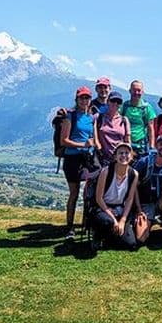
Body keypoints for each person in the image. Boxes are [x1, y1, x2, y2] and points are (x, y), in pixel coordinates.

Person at [60, 86, 100, 239]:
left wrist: (95, 146)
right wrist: (83, 145)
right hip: (73, 159)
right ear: (77, 100)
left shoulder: (92, 117)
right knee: (74, 193)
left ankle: (88, 223)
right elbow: (64, 141)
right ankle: (69, 227)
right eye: (82, 98)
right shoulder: (70, 116)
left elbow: (94, 139)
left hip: (88, 159)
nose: (85, 100)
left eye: (87, 98)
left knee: (91, 193)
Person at [92, 142, 138, 250]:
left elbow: (130, 199)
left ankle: (111, 236)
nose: (124, 156)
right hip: (103, 208)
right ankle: (98, 236)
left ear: (131, 157)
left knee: (130, 243)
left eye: (127, 153)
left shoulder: (133, 174)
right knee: (107, 221)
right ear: (115, 156)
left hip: (120, 208)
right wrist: (113, 219)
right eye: (120, 153)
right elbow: (98, 198)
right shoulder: (106, 172)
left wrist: (122, 220)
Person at [120, 80, 157, 157]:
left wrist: (151, 146)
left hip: (141, 144)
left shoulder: (146, 107)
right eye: (134, 90)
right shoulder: (124, 106)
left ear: (142, 92)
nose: (136, 93)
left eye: (139, 90)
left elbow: (151, 128)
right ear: (130, 91)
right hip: (126, 142)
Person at [96, 91, 130, 166]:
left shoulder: (124, 120)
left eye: (118, 102)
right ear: (107, 102)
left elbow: (127, 141)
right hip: (102, 158)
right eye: (113, 101)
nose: (115, 103)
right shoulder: (99, 117)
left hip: (119, 159)